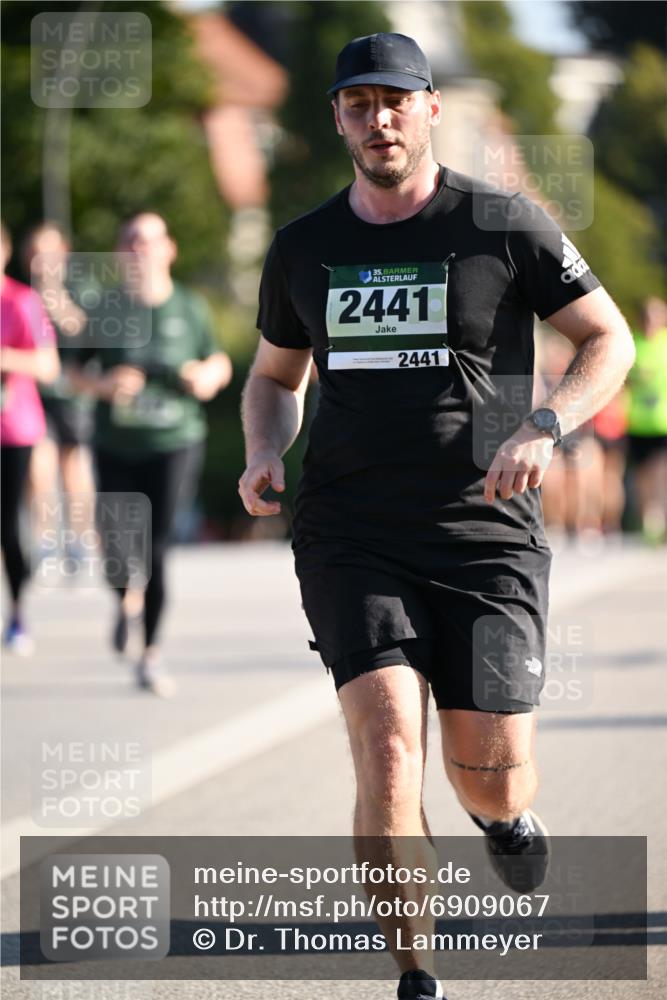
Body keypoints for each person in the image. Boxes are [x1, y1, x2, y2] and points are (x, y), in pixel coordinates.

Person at [239, 33, 635, 1000]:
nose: (378, 119)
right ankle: (415, 966)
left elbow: (606, 338)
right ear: (337, 118)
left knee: (488, 764)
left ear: (428, 110)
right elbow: (270, 377)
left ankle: (500, 819)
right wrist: (261, 449)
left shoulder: (502, 224)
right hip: (349, 529)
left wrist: (544, 423)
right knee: (384, 744)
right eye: (358, 103)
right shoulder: (303, 247)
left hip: (483, 530)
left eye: (395, 101)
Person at [71, 212, 232, 695]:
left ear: (169, 249)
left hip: (174, 441)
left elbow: (219, 362)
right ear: (122, 253)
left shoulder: (189, 306)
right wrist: (105, 384)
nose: (140, 249)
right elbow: (74, 371)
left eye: (149, 241)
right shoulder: (105, 308)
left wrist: (206, 376)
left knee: (157, 547)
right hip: (116, 443)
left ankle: (151, 652)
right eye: (131, 242)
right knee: (118, 548)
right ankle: (125, 601)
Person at [21, 222, 97, 564]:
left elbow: (83, 329)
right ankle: (46, 539)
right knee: (39, 466)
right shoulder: (19, 292)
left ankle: (80, 538)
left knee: (74, 464)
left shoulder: (82, 287)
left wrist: (54, 296)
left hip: (71, 393)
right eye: (36, 254)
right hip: (32, 393)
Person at [1, 221, 60, 652]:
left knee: (6, 527)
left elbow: (48, 366)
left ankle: (19, 613)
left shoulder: (20, 301)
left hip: (12, 429)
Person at [625, 296, 667, 544]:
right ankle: (649, 522)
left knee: (661, 473)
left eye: (657, 315)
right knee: (642, 477)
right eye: (649, 316)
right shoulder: (633, 344)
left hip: (663, 422)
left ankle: (659, 519)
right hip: (638, 422)